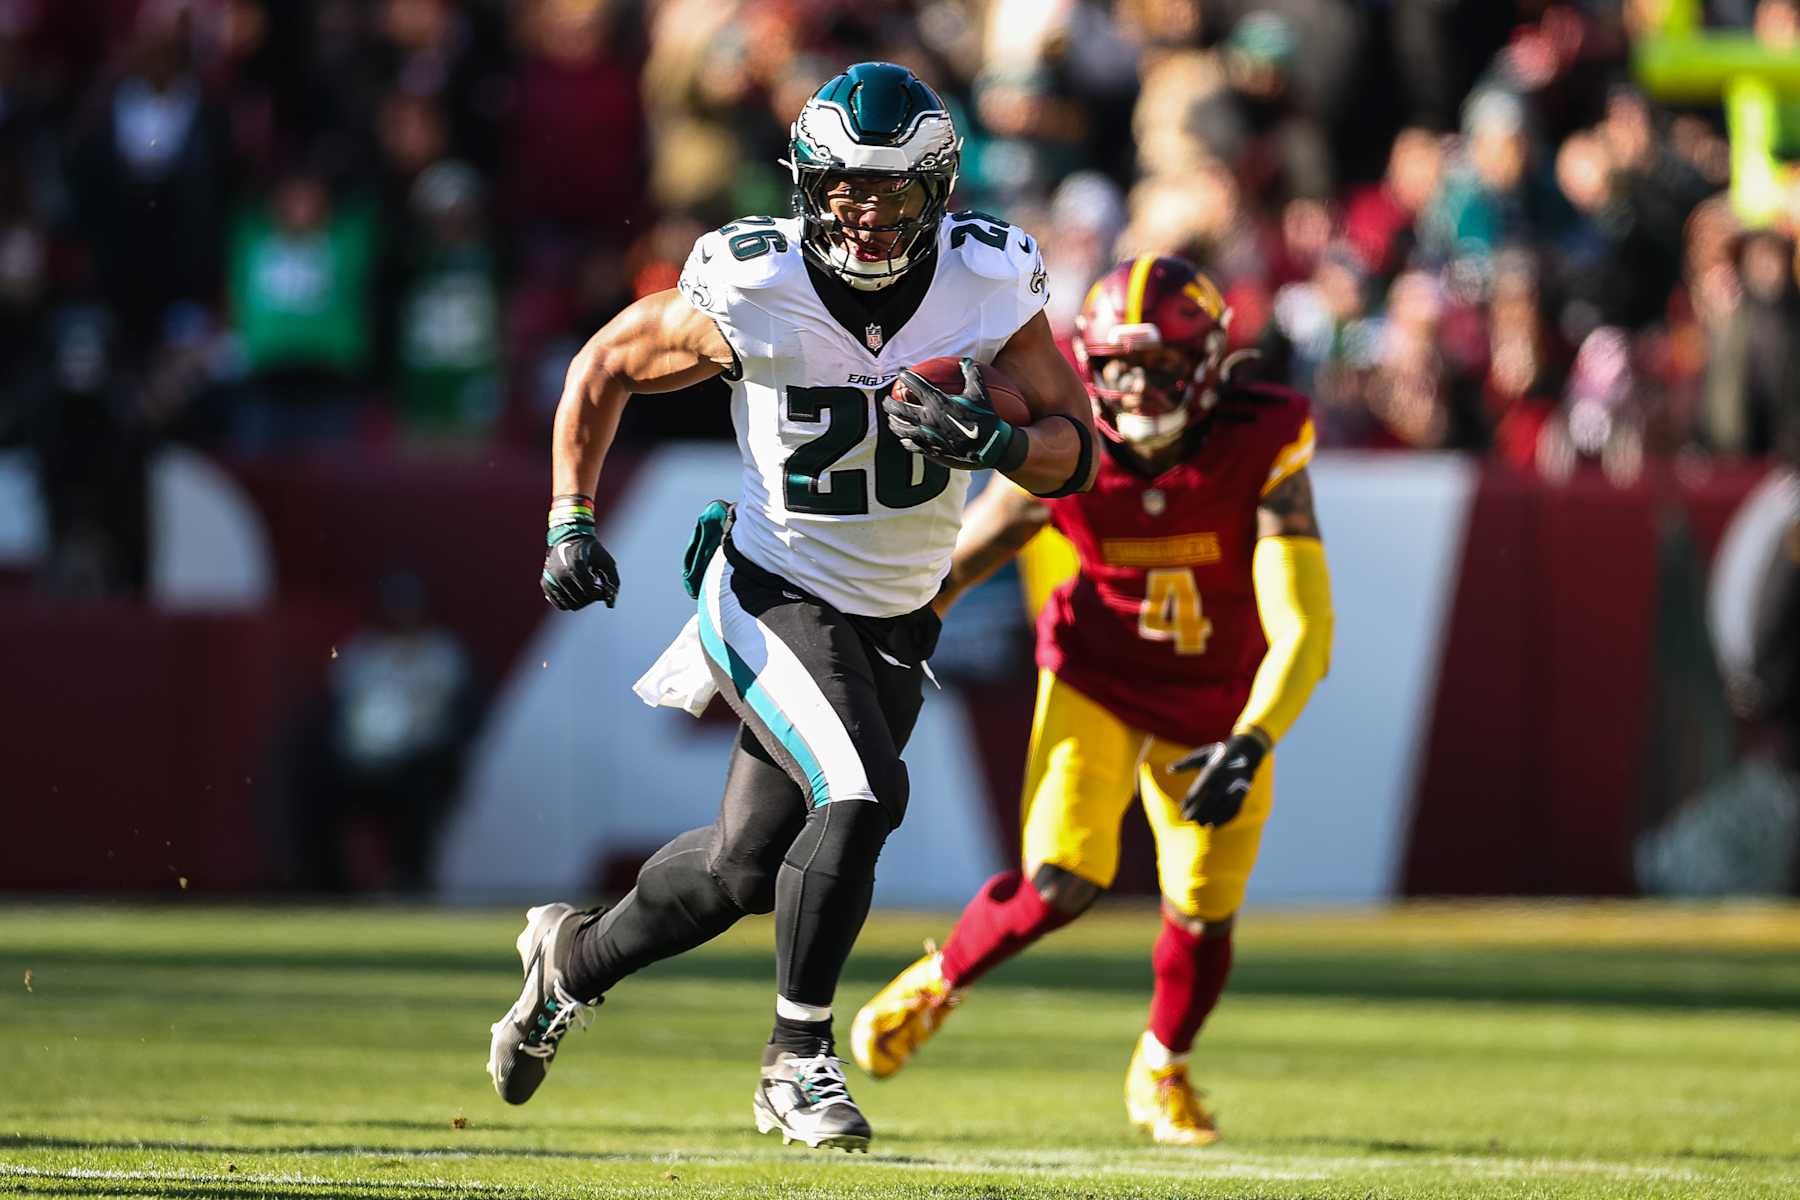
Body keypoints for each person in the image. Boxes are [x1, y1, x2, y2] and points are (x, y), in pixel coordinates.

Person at [485, 62, 1096, 1152]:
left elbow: (1075, 452)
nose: (863, 216)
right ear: (806, 186)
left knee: (739, 872)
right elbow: (604, 365)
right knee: (861, 790)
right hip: (771, 588)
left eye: (890, 193)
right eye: (843, 189)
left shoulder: (989, 283)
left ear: (938, 193)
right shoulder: (756, 281)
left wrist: (998, 443)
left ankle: (565, 965)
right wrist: (568, 516)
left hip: (899, 616)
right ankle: (795, 1062)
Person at [850, 255, 1335, 1146]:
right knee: (1064, 879)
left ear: (1211, 363)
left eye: (1158, 365)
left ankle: (1163, 1068)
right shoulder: (1071, 447)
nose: (1137, 386)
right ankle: (938, 979)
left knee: (1201, 906)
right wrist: (881, 639)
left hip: (1218, 703)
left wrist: (1254, 739)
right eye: (1117, 365)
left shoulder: (1260, 441)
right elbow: (959, 563)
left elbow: (1303, 623)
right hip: (1098, 679)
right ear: (1090, 365)